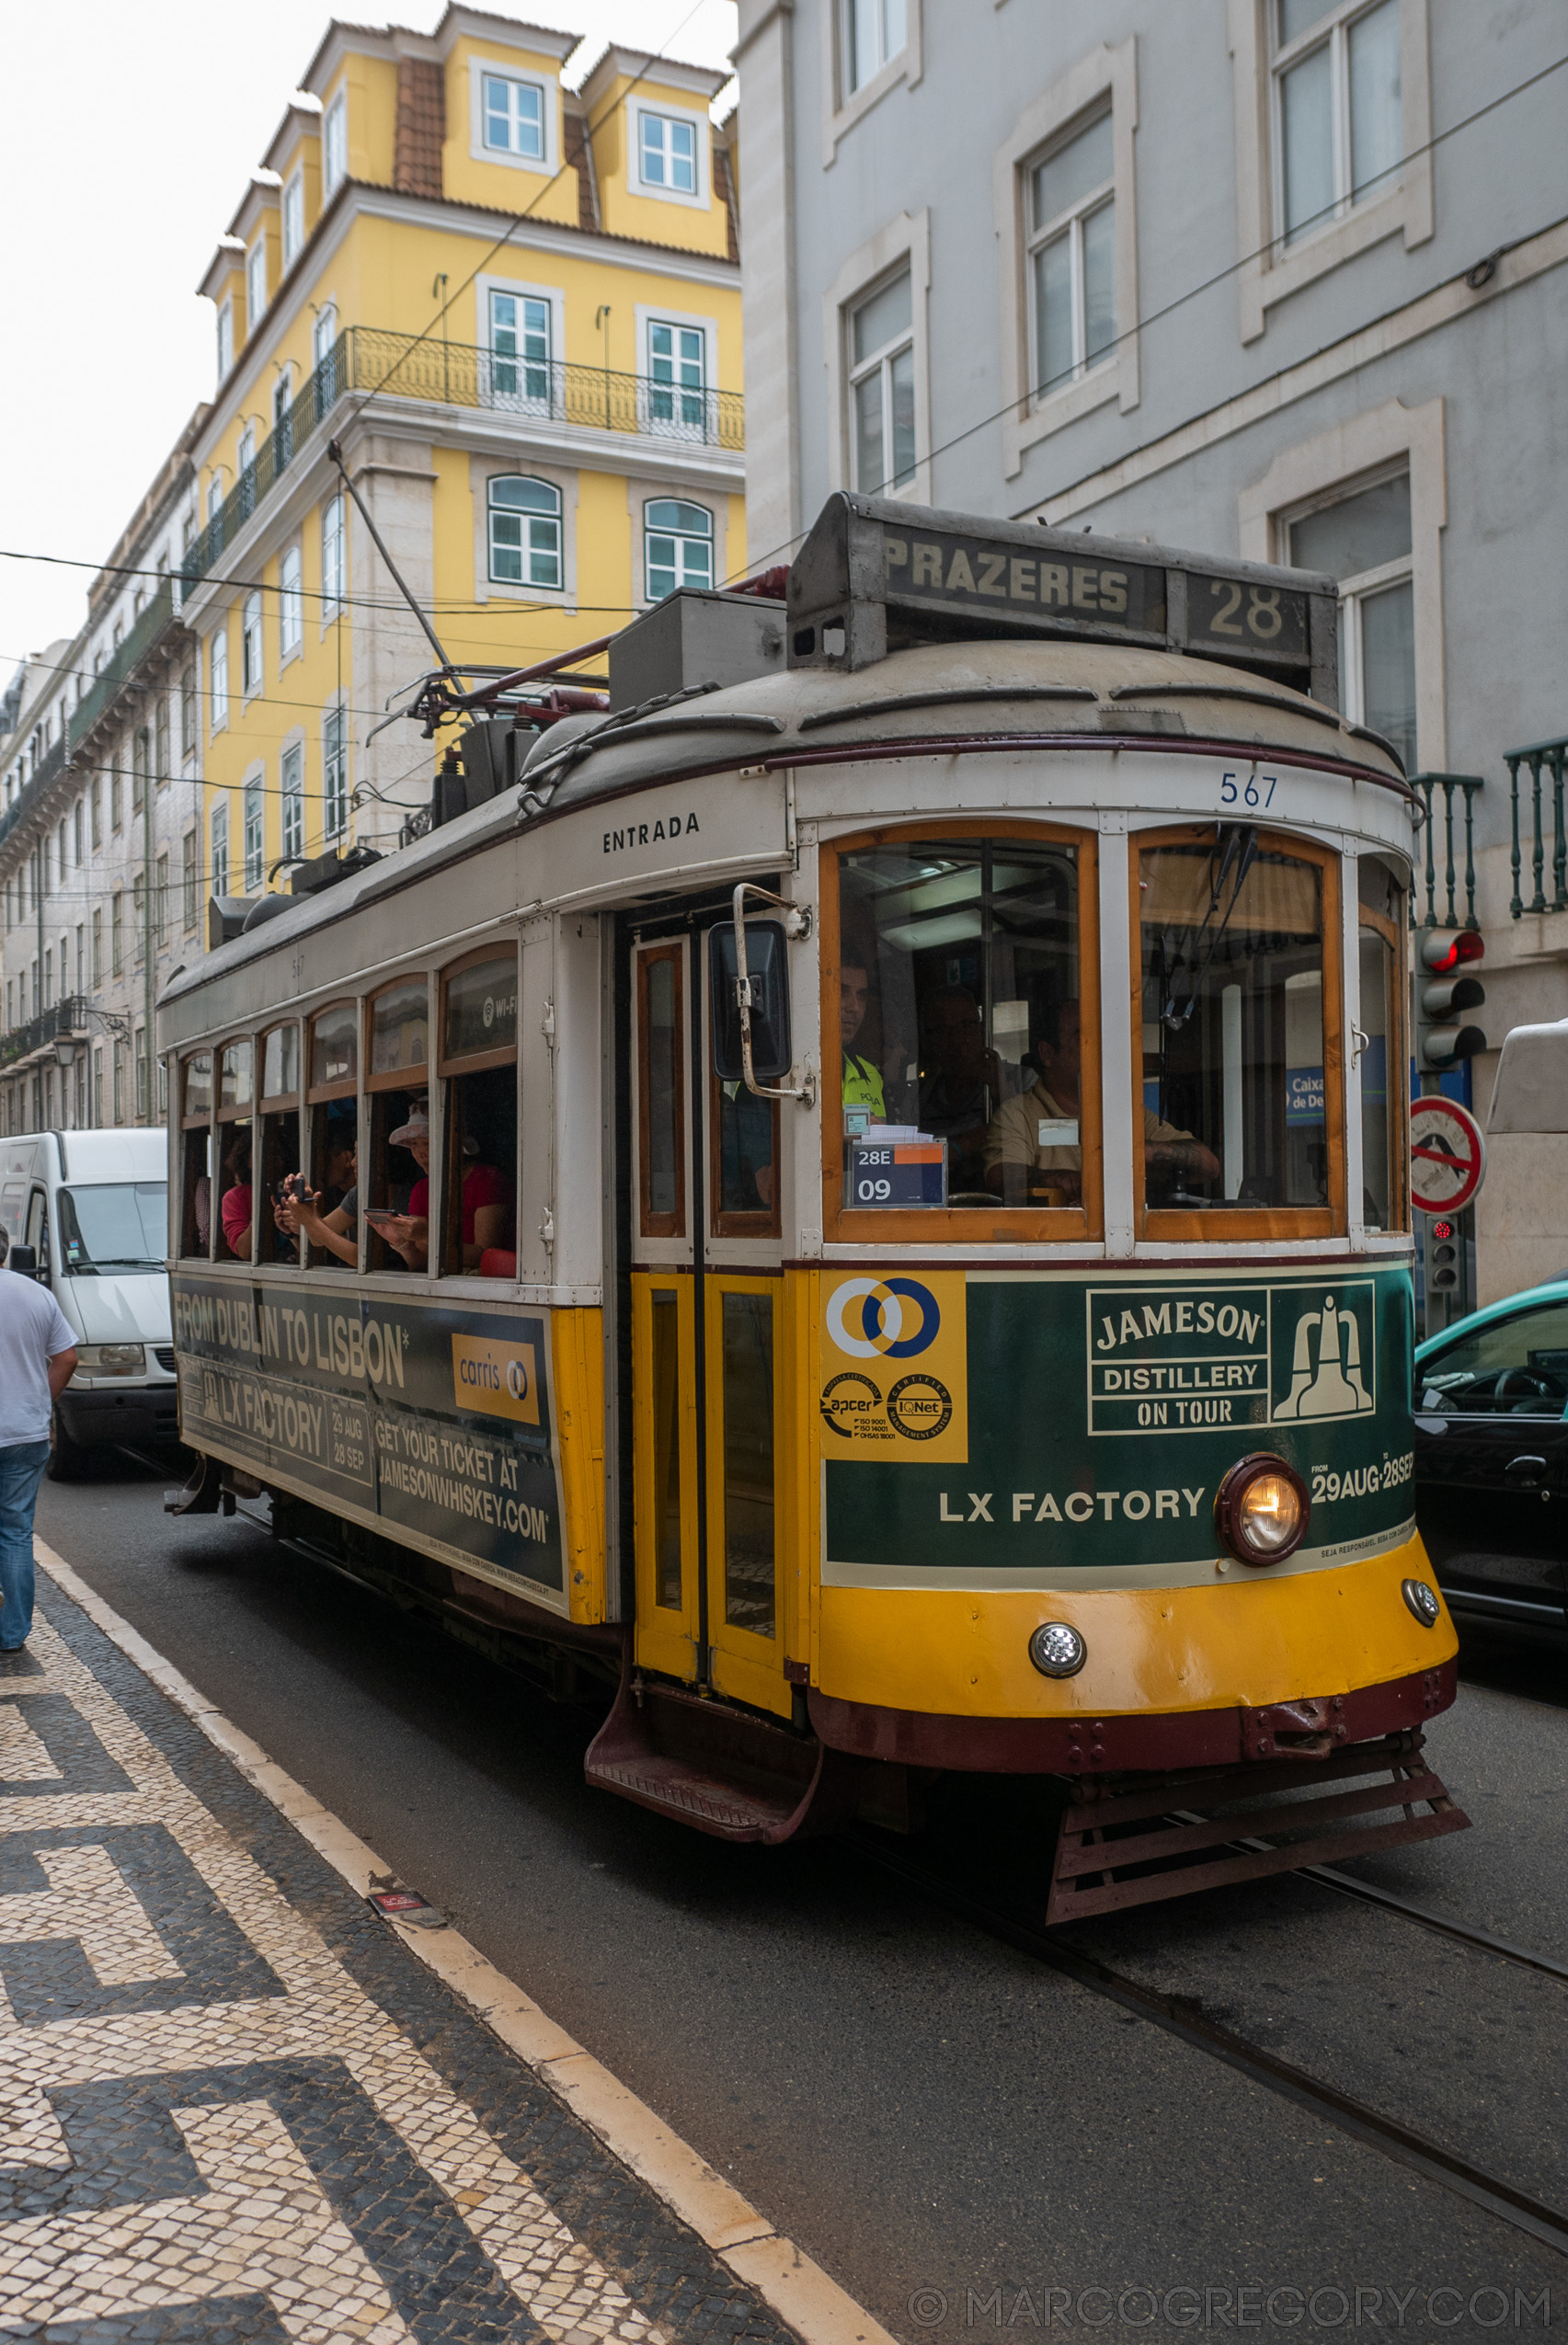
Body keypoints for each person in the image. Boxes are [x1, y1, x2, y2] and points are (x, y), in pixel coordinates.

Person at [983, 998, 1220, 1205]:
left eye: (1099, 1037)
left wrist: (1138, 1149)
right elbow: (1000, 1175)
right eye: (1083, 1037)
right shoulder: (1018, 1114)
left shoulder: (1123, 1111)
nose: (1096, 1048)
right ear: (1047, 1054)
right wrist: (1058, 1178)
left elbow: (1209, 1164)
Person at [0, 1223, 78, 1652]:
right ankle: (11, 1634)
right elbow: (67, 1358)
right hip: (24, 1432)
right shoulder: (35, 1294)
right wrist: (38, 1401)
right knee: (14, 1530)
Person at [374, 1101, 513, 1272]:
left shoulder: (488, 1181)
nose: (420, 1153)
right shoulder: (422, 1189)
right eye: (414, 1144)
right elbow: (422, 1264)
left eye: (427, 1143)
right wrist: (402, 1243)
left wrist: (427, 1235)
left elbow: (484, 1256)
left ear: (452, 1143)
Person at [919, 986, 1014, 1195]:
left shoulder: (1022, 1081)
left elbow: (1030, 1139)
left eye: (967, 1026)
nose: (957, 1039)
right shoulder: (919, 1096)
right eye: (942, 1030)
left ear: (982, 1029)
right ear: (928, 1040)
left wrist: (1002, 1093)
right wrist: (965, 1145)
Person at [276, 1135, 359, 1268]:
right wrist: (307, 1212)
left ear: (346, 1158)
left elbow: (363, 1259)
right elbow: (317, 1239)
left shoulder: (370, 1192)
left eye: (323, 1160)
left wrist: (309, 1220)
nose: (318, 1167)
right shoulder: (353, 1194)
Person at [840, 955, 886, 1119]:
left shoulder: (871, 1074)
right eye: (841, 991)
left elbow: (879, 1142)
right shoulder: (794, 1071)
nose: (855, 1007)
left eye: (861, 995)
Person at [219, 1130, 254, 1261]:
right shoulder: (235, 1198)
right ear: (247, 1161)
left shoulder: (289, 1192)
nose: (275, 1159)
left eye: (277, 1153)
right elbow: (245, 1252)